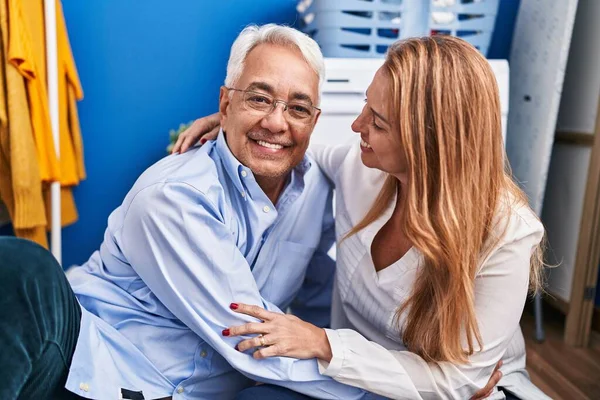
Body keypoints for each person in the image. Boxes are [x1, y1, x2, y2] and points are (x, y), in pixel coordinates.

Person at [172, 35, 550, 400]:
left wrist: (324, 343)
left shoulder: (507, 233)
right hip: (353, 381)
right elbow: (292, 143)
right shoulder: (362, 166)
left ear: (428, 144)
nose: (357, 125)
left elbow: (458, 382)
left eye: (378, 123)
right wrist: (235, 120)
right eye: (366, 105)